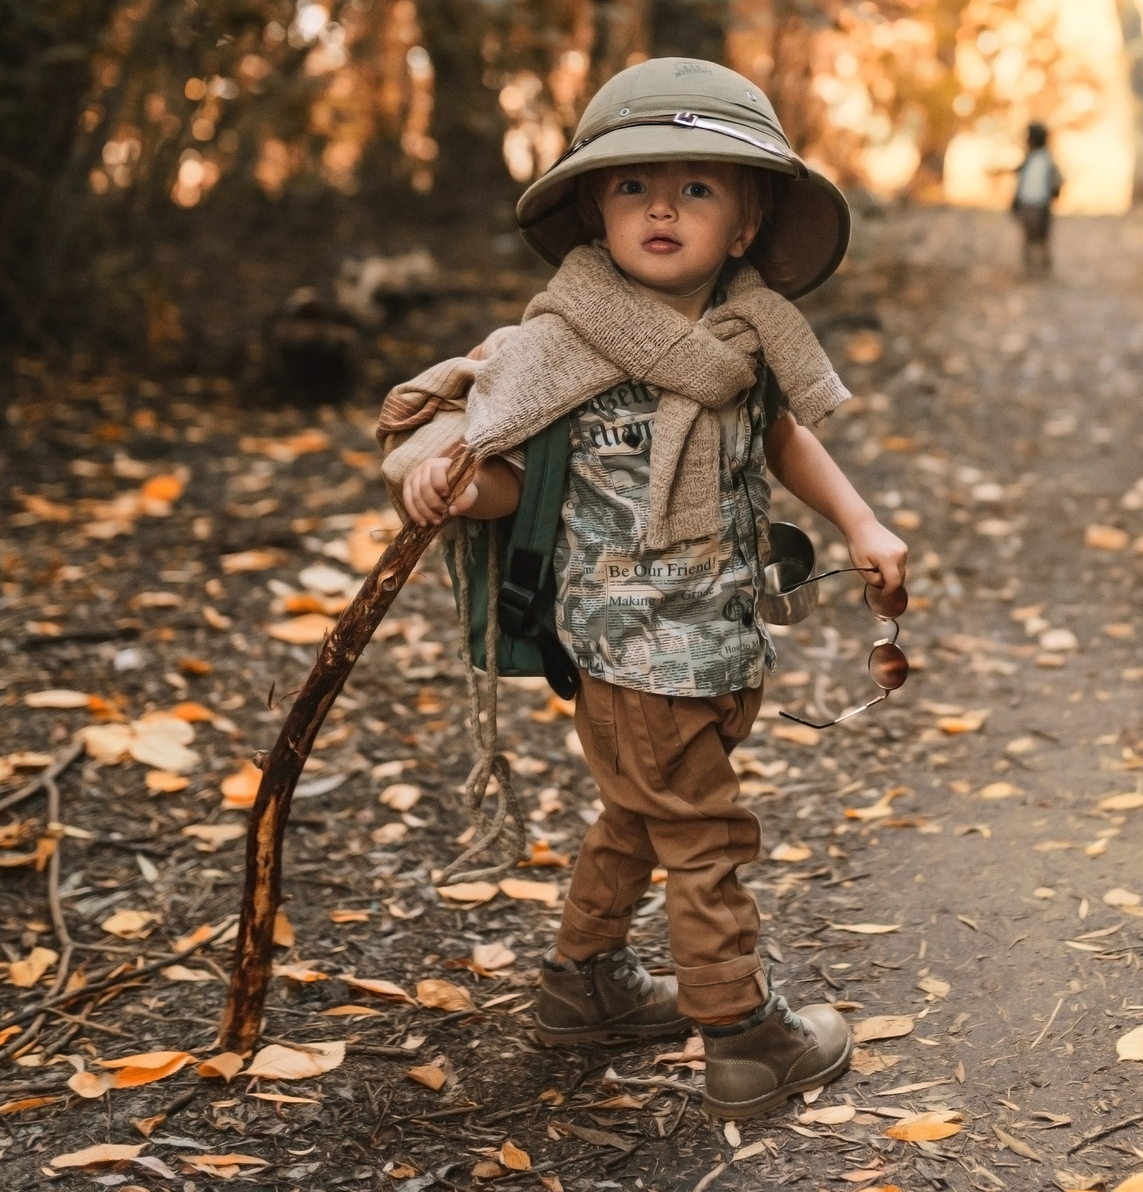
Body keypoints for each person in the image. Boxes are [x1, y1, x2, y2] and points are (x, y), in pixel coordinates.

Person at [377, 60, 909, 1119]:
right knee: (703, 835)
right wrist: (448, 478)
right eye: (633, 185)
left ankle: (584, 987)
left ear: (747, 225)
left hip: (710, 635)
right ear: (594, 207)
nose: (662, 205)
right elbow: (506, 466)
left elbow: (780, 436)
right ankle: (742, 1033)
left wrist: (859, 520)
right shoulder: (561, 343)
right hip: (624, 645)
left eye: (697, 187)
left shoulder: (746, 335)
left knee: (635, 813)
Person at [1012, 121, 1062, 277]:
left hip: (1039, 205)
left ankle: (1041, 269)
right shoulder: (1034, 159)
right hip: (1031, 204)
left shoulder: (1044, 160)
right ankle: (1032, 269)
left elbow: (1057, 181)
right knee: (1031, 238)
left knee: (1040, 238)